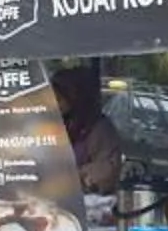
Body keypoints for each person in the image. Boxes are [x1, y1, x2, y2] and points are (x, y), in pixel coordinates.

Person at [51, 66, 124, 197]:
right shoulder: (53, 123)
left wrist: (75, 176)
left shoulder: (99, 128)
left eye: (59, 99)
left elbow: (107, 169)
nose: (55, 105)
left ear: (76, 97)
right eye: (52, 99)